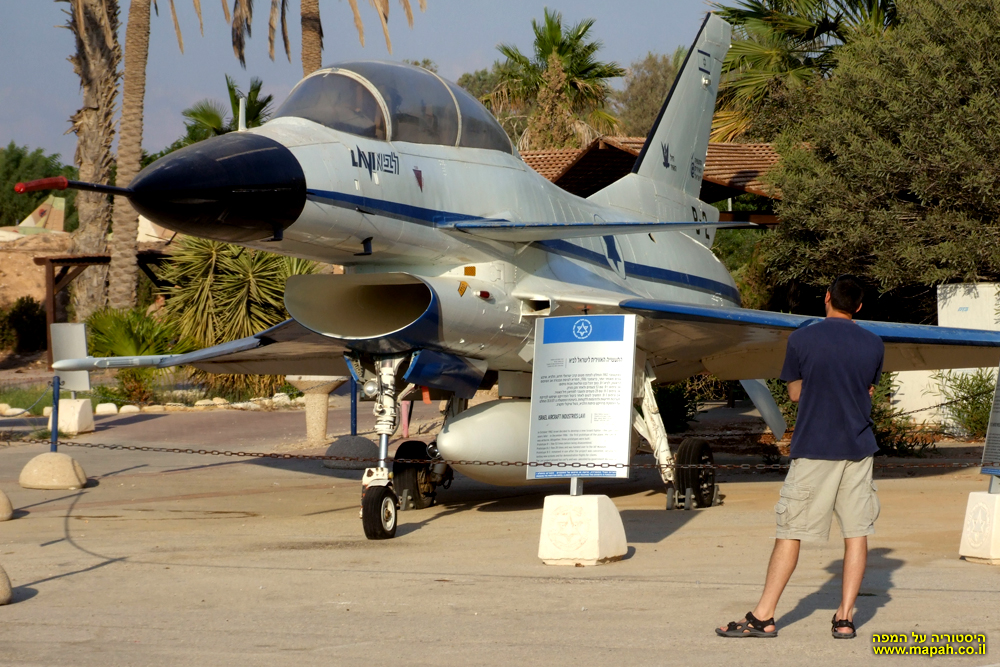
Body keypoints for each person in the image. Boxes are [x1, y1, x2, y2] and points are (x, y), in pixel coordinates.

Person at [716, 275, 884, 640]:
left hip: (815, 448)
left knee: (790, 532)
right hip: (858, 449)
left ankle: (763, 616)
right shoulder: (874, 344)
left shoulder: (802, 338)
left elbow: (794, 393)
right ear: (858, 306)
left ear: (827, 298)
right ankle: (844, 618)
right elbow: (868, 390)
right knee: (856, 534)